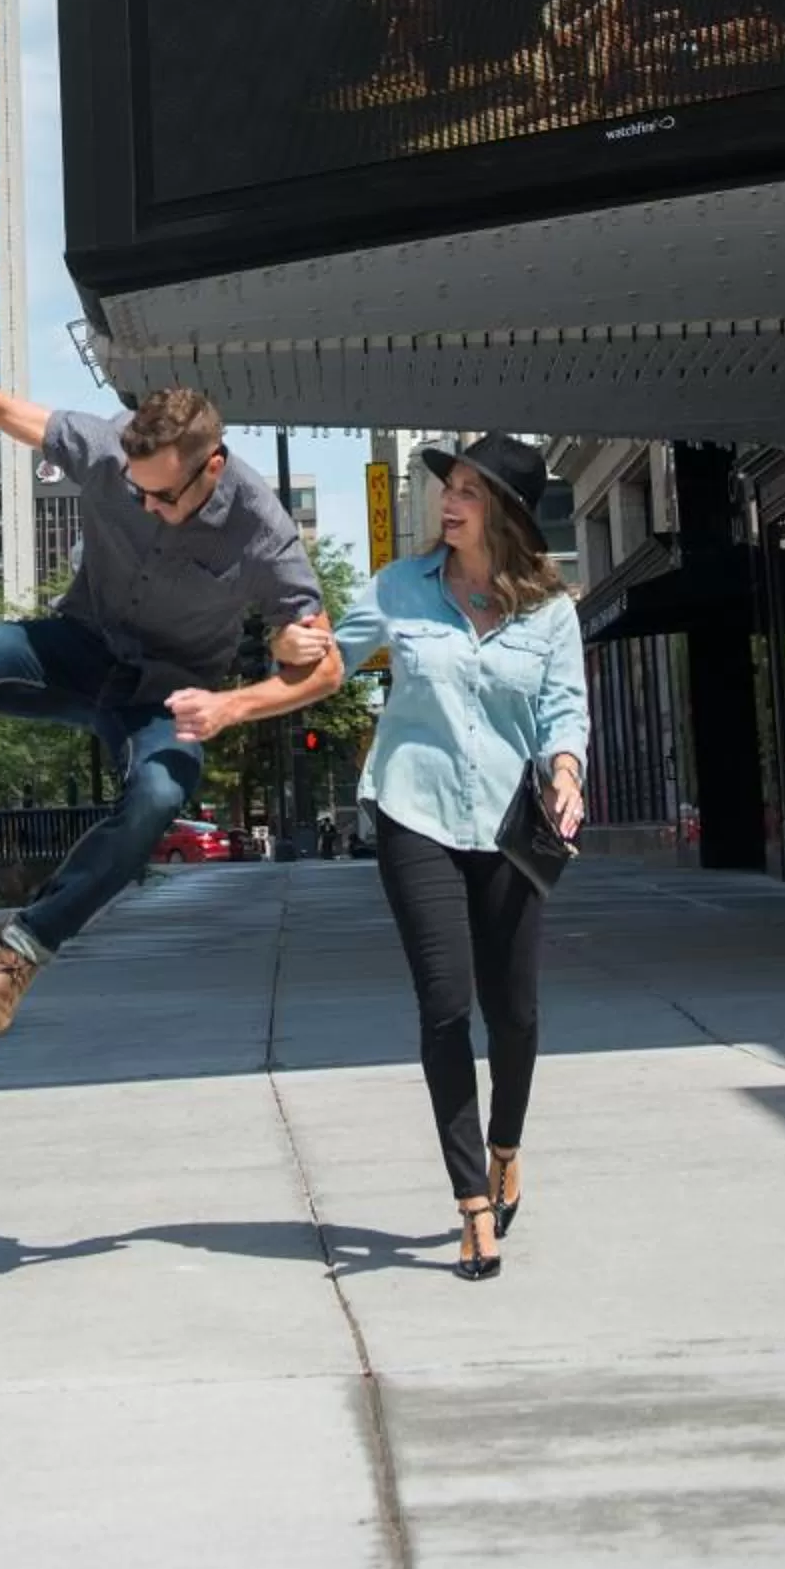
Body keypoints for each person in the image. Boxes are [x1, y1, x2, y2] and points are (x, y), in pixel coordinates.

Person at [0, 336, 343, 1043]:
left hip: (171, 696)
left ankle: (16, 961)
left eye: (162, 495)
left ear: (211, 468)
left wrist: (238, 699)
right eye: (136, 488)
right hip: (82, 649)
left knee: (157, 797)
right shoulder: (104, 451)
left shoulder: (262, 530)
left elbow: (324, 667)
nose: (145, 503)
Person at [327, 434, 587, 1281]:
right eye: (451, 485)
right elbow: (333, 655)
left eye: (470, 490)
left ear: (504, 512)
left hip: (511, 823)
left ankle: (506, 1145)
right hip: (415, 812)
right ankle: (474, 1201)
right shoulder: (402, 586)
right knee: (446, 1005)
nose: (450, 500)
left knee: (513, 1014)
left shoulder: (549, 609)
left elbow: (564, 711)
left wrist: (567, 771)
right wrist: (291, 653)